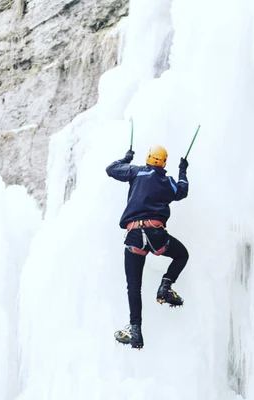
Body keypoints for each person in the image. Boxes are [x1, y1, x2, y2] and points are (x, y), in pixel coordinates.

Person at [106, 145, 190, 349]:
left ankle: (135, 331)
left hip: (134, 236)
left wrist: (126, 158)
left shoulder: (136, 171)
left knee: (134, 286)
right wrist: (183, 169)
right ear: (164, 163)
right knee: (181, 255)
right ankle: (165, 287)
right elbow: (182, 190)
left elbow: (111, 168)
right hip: (156, 234)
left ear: (148, 159)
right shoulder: (167, 181)